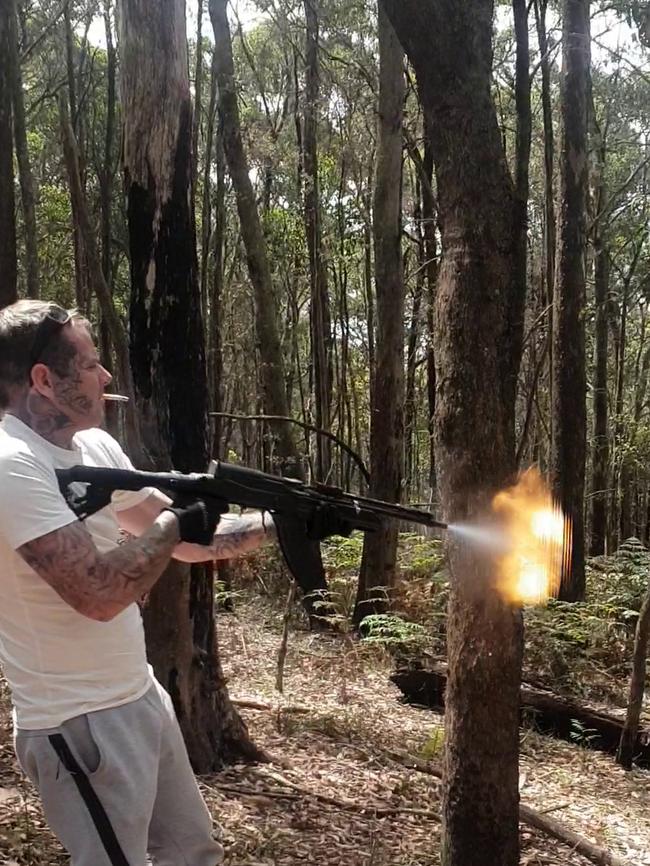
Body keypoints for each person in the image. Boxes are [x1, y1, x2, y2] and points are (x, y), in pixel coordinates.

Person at [0, 299, 275, 866]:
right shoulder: (11, 463)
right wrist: (179, 520)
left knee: (191, 852)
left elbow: (191, 541)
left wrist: (284, 521)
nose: (105, 377)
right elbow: (98, 595)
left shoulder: (95, 447)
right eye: (92, 363)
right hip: (76, 721)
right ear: (44, 380)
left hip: (139, 695)